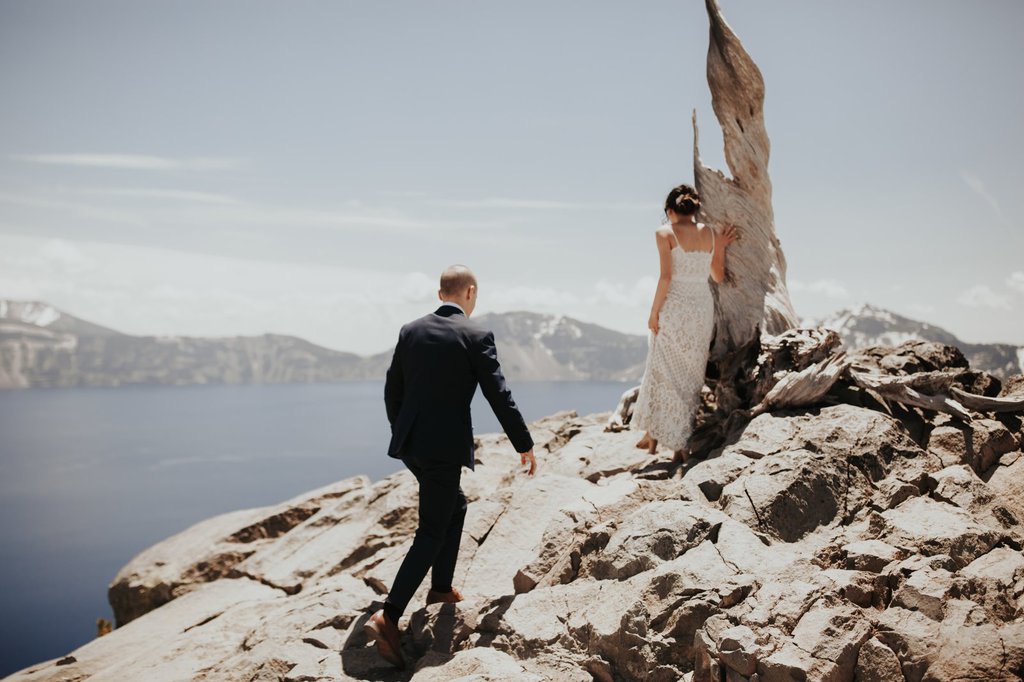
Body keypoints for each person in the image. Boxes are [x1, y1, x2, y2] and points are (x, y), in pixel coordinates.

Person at [364, 264, 538, 669]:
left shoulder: (411, 330)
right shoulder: (475, 335)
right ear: (470, 292)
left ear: (440, 292)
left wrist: (403, 433)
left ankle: (440, 588)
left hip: (411, 444)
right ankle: (388, 616)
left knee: (454, 506)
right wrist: (523, 443)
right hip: (443, 448)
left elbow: (393, 390)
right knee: (430, 530)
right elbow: (498, 393)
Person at [632, 184, 738, 463]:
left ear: (670, 211)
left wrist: (654, 313)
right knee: (690, 377)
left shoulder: (664, 233)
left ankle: (669, 440)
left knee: (662, 370)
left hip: (675, 308)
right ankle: (669, 440)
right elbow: (717, 276)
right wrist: (721, 247)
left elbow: (666, 277)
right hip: (702, 309)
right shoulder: (711, 234)